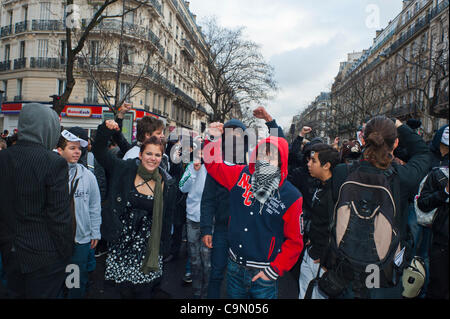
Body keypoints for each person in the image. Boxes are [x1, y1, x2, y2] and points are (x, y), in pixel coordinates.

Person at [329, 116, 431, 299]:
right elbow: (424, 153)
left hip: (346, 265)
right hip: (381, 269)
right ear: (396, 143)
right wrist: (401, 126)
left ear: (364, 139)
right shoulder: (402, 177)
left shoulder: (341, 172)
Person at [203, 122, 304, 299]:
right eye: (261, 155)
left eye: (271, 157)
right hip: (235, 267)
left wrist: (274, 270)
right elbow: (214, 165)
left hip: (264, 273)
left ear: (281, 162)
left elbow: (295, 242)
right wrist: (212, 138)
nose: (264, 160)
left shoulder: (292, 196)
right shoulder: (240, 175)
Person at [92, 119, 176, 299]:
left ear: (162, 158)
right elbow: (99, 152)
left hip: (148, 251)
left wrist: (165, 247)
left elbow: (167, 218)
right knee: (120, 293)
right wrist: (105, 130)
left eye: (157, 155)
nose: (153, 158)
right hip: (121, 247)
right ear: (140, 155)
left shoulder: (166, 183)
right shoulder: (124, 169)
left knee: (144, 294)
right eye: (149, 154)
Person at [0, 103, 73, 298]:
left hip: (10, 253)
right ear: (47, 128)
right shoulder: (54, 162)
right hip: (45, 257)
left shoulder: (3, 158)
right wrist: (66, 253)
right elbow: (59, 217)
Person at [200, 118, 249, 299]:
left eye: (238, 133)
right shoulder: (216, 164)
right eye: (229, 134)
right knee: (216, 274)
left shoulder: (251, 164)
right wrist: (206, 229)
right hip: (220, 229)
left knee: (240, 279)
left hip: (244, 232)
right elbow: (208, 199)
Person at [56, 129, 102, 299]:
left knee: (74, 282)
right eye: (72, 148)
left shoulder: (88, 176)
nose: (77, 152)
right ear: (59, 150)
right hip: (55, 241)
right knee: (55, 282)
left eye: (79, 148)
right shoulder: (50, 173)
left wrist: (95, 231)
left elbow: (94, 207)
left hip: (79, 241)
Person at [298, 143, 340, 299]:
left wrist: (327, 258)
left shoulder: (334, 194)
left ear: (326, 165)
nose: (308, 164)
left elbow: (337, 229)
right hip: (311, 250)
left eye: (313, 161)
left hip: (322, 261)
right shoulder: (319, 185)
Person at [416, 127, 449, 299]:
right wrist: (445, 192)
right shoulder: (438, 174)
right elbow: (423, 203)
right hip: (442, 241)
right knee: (438, 287)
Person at [179, 145, 210, 299]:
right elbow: (182, 187)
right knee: (195, 259)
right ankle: (197, 293)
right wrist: (194, 173)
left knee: (207, 261)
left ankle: (207, 293)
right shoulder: (191, 167)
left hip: (210, 222)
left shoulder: (214, 169)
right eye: (199, 152)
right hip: (192, 219)